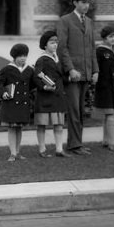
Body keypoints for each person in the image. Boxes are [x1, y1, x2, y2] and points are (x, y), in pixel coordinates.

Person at [56, 0, 99, 155]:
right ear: (75, 3)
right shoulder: (65, 21)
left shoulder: (89, 22)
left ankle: (77, 143)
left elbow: (92, 48)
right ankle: (74, 145)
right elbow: (62, 48)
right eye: (83, 2)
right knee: (73, 110)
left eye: (88, 2)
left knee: (81, 110)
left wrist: (95, 70)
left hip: (86, 74)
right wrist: (70, 69)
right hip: (72, 75)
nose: (86, 5)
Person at [0, 42, 35, 162]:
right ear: (14, 57)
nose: (23, 58)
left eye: (25, 56)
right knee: (12, 128)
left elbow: (32, 85)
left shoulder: (29, 70)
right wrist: (3, 93)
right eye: (20, 56)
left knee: (19, 128)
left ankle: (18, 152)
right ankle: (12, 153)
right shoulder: (7, 69)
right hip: (11, 103)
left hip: (23, 103)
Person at [33, 29, 68, 157]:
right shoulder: (42, 59)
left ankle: (59, 149)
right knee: (42, 125)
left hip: (57, 96)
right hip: (45, 97)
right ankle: (42, 149)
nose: (55, 45)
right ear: (45, 44)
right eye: (52, 42)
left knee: (58, 124)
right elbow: (37, 76)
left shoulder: (57, 59)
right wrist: (44, 87)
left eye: (56, 42)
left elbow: (61, 76)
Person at [94, 25, 114, 151]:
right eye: (110, 36)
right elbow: (96, 68)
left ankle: (106, 140)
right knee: (110, 114)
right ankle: (111, 143)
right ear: (104, 38)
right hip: (105, 87)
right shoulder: (100, 51)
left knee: (109, 114)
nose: (113, 39)